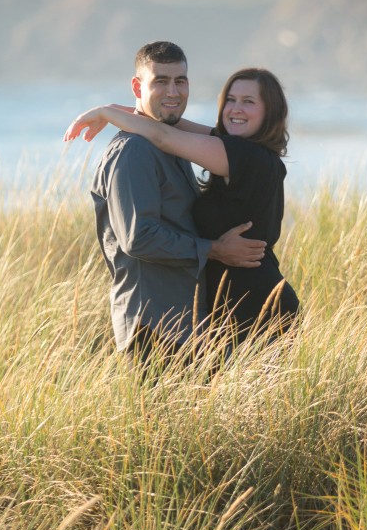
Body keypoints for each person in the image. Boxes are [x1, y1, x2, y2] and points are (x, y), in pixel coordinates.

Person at [65, 64, 299, 344]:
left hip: (255, 304)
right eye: (231, 100)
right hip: (235, 304)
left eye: (248, 102)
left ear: (269, 112)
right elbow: (168, 124)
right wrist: (122, 109)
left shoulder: (245, 156)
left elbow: (164, 137)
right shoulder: (237, 149)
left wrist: (105, 113)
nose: (236, 109)